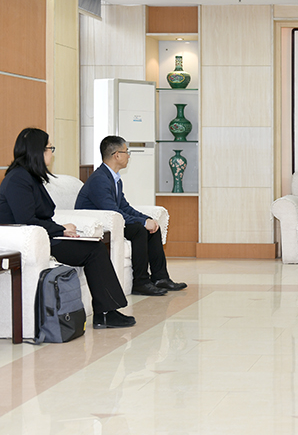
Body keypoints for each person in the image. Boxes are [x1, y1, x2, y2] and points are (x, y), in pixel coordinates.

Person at [0, 128, 135, 329]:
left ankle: (107, 312)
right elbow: (26, 220)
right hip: (30, 242)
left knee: (94, 246)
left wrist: (60, 229)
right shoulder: (19, 179)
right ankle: (106, 313)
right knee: (94, 250)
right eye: (50, 148)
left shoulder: (29, 176)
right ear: (37, 150)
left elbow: (38, 217)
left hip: (43, 237)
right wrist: (60, 230)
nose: (52, 153)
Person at [75, 135, 187, 296]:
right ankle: (140, 283)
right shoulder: (99, 179)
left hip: (112, 220)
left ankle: (160, 278)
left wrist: (147, 219)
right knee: (139, 230)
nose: (128, 156)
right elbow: (113, 211)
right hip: (99, 225)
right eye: (126, 152)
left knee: (152, 227)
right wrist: (142, 223)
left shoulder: (114, 179)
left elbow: (124, 207)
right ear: (117, 155)